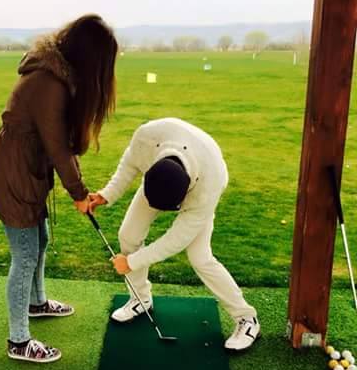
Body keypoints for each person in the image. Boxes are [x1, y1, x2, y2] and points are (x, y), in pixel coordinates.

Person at [0, 15, 118, 363]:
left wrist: (80, 190)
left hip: (26, 170)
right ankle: (18, 341)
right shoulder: (49, 84)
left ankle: (37, 302)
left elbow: (62, 147)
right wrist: (79, 194)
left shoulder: (57, 79)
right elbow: (59, 149)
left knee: (40, 239)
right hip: (14, 175)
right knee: (25, 254)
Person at [89, 118, 260, 351]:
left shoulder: (209, 185)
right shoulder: (147, 137)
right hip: (163, 174)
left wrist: (131, 262)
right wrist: (107, 194)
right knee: (128, 235)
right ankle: (141, 299)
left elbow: (176, 240)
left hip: (203, 182)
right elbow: (130, 163)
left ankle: (247, 319)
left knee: (200, 257)